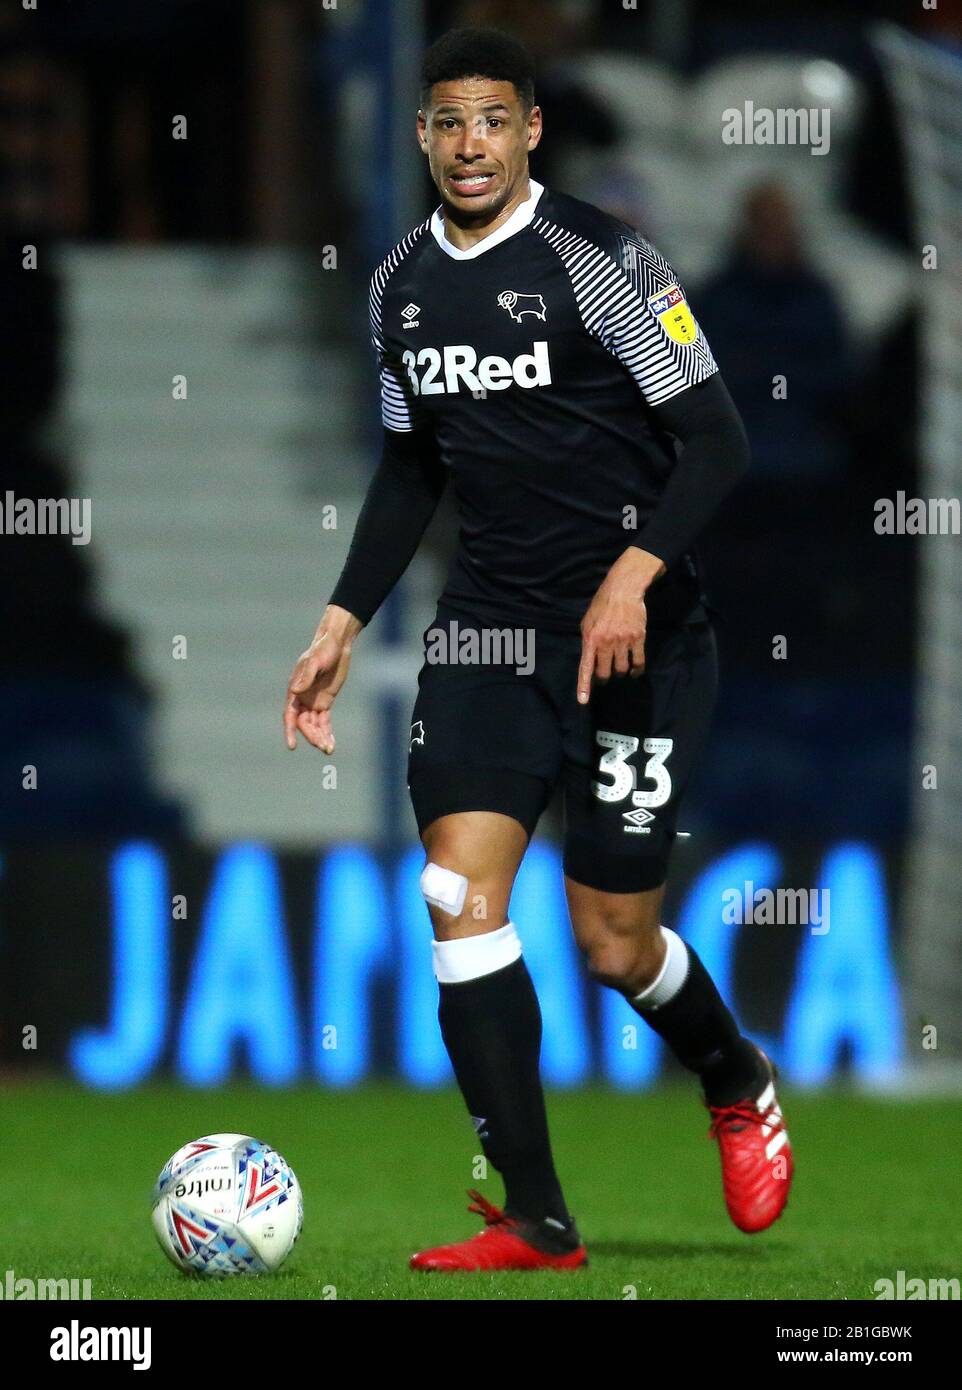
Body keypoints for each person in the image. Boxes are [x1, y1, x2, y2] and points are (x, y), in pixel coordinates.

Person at [283, 27, 792, 1272]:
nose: (470, 145)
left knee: (613, 943)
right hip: (487, 634)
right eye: (448, 122)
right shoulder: (399, 282)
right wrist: (341, 618)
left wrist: (630, 575)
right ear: (422, 136)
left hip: (641, 640)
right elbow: (410, 467)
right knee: (456, 895)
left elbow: (717, 439)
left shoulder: (601, 261)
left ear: (529, 131)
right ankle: (536, 1217)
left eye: (492, 121)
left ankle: (731, 1073)